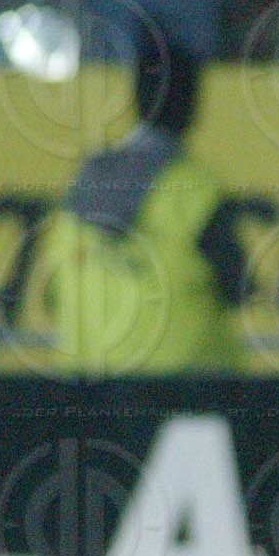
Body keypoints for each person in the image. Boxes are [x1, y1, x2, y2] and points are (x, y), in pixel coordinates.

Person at [46, 21, 245, 375]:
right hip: (180, 391)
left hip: (86, 385)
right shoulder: (196, 190)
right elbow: (239, 286)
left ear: (136, 97)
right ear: (194, 102)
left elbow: (52, 293)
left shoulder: (84, 185)